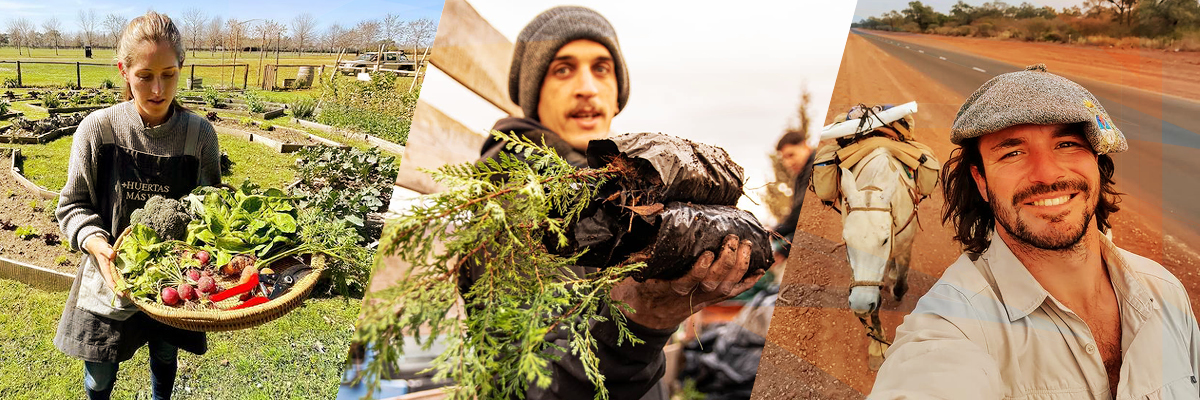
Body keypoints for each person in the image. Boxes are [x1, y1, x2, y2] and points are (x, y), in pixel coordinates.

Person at [469, 6, 765, 399]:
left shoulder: (623, 184)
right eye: (562, 69)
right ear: (533, 92)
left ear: (618, 92)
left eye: (602, 68)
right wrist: (641, 322)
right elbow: (535, 382)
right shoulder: (512, 198)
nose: (587, 88)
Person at [871, 64, 1200, 399]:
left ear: (1096, 164)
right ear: (981, 181)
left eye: (1068, 144)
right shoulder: (953, 325)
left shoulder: (1164, 291)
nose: (1046, 174)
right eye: (1012, 152)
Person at [53, 11, 221, 400]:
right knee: (98, 373)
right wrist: (95, 241)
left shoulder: (200, 136)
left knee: (165, 353)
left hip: (175, 281)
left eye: (169, 73)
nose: (158, 88)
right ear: (124, 71)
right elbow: (72, 204)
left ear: (182, 67)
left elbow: (212, 208)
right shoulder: (98, 129)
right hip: (108, 280)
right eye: (145, 75)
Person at [772, 129, 815, 255]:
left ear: (805, 146)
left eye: (791, 155)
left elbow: (801, 209)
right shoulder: (799, 177)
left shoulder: (816, 166)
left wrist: (777, 231)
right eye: (784, 158)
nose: (787, 163)